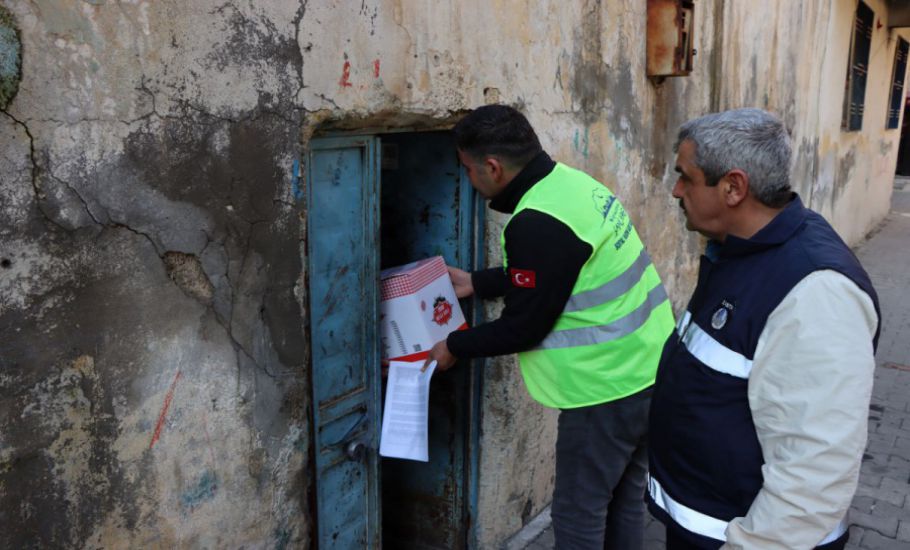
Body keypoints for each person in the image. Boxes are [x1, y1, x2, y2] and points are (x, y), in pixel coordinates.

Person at [424, 104, 675, 549]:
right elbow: (554, 274)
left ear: (493, 167)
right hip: (650, 368)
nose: (468, 180)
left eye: (467, 169)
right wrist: (477, 283)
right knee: (623, 503)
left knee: (579, 514)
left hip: (605, 389)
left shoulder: (536, 223)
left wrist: (454, 344)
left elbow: (524, 326)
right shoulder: (571, 187)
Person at [647, 108, 881, 550]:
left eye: (686, 177)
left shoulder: (817, 292)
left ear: (733, 187)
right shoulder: (737, 251)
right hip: (704, 523)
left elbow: (815, 470)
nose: (676, 191)